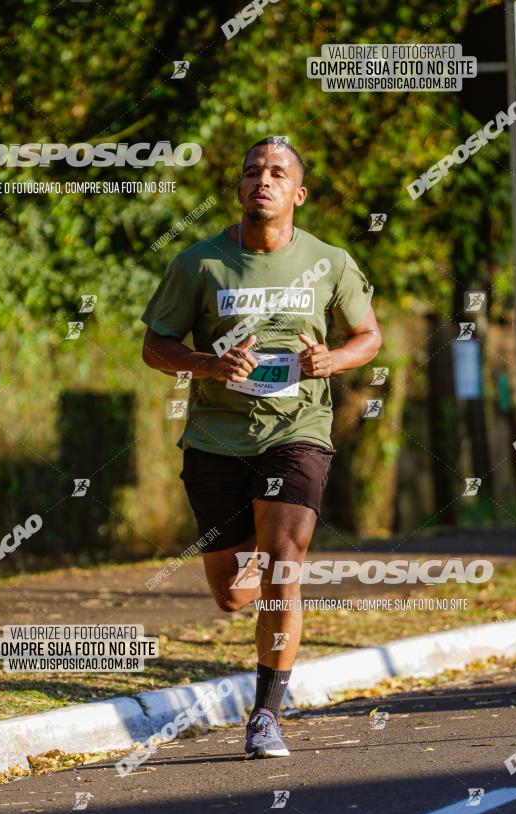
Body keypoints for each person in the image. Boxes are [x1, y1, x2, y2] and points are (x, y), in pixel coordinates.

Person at [141, 137, 382, 758]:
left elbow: (367, 336)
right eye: (252, 172)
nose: (262, 181)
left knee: (283, 564)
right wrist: (205, 364)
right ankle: (248, 547)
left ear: (297, 194)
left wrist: (332, 359)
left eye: (277, 173)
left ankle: (266, 715)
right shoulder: (200, 264)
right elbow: (155, 345)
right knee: (232, 593)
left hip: (296, 432)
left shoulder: (329, 262)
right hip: (216, 440)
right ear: (240, 188)